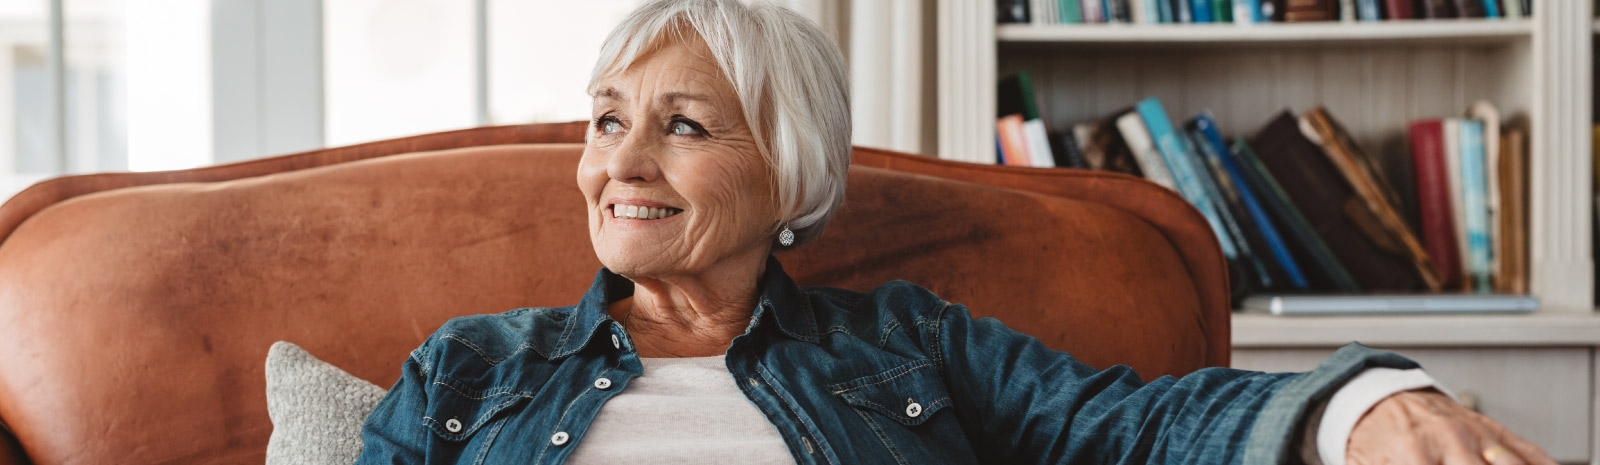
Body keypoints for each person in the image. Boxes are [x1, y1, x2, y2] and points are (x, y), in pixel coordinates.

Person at [356, 1, 1553, 463]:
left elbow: (1129, 424)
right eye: (608, 121)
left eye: (681, 127)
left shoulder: (908, 350)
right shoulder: (469, 370)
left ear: (788, 174)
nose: (619, 162)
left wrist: (1361, 408)